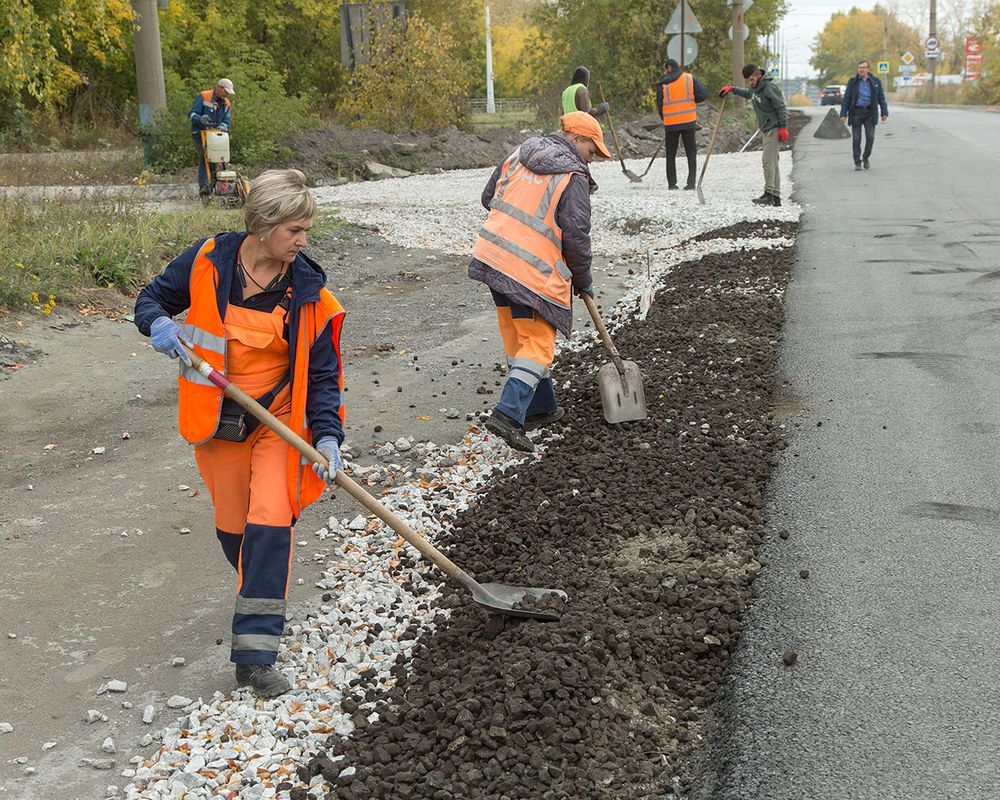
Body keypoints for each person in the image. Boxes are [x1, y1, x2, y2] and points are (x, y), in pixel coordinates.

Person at [133, 169, 346, 698]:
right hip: (220, 416)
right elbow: (150, 300)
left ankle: (255, 654)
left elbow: (322, 377)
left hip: (281, 418)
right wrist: (158, 325)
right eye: (295, 229)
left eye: (306, 229)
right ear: (263, 225)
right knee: (236, 529)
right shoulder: (208, 261)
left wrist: (326, 437)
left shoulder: (309, 293)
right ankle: (262, 592)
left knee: (270, 521)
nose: (303, 240)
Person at [469, 111, 610, 452]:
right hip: (529, 268)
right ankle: (508, 414)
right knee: (539, 344)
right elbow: (576, 236)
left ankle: (541, 407)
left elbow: (489, 197)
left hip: (494, 254)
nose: (594, 157)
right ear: (577, 139)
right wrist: (584, 278)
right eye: (593, 149)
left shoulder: (519, 153)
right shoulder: (572, 176)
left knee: (518, 334)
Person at [719, 64, 788, 206]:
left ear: (758, 75)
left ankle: (769, 194)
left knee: (768, 161)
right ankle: (775, 196)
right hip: (766, 128)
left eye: (751, 80)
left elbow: (781, 106)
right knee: (773, 162)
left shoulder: (769, 88)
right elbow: (748, 94)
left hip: (774, 128)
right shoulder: (756, 88)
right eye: (748, 81)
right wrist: (732, 89)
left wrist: (783, 127)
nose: (750, 83)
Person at [656, 58, 709, 190]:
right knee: (691, 152)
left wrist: (666, 118)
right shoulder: (689, 78)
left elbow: (659, 105)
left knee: (671, 154)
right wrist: (691, 100)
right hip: (688, 121)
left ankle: (672, 184)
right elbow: (703, 94)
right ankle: (691, 183)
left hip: (671, 123)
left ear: (668, 68)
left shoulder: (662, 84)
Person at [839, 59, 889, 170]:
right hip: (856, 112)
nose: (861, 69)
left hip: (870, 113)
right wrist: (843, 114)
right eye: (860, 67)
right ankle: (857, 161)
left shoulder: (875, 82)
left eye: (864, 67)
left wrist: (884, 112)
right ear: (858, 69)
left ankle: (866, 157)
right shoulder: (853, 82)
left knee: (870, 137)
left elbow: (881, 98)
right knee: (856, 139)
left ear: (868, 69)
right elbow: (846, 99)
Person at [189, 78, 234, 197]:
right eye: (226, 92)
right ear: (219, 88)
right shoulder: (204, 96)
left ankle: (215, 185)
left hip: (216, 136)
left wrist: (224, 126)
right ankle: (204, 186)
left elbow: (226, 119)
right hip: (200, 133)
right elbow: (192, 114)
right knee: (205, 156)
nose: (227, 94)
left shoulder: (226, 103)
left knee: (218, 158)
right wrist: (200, 119)